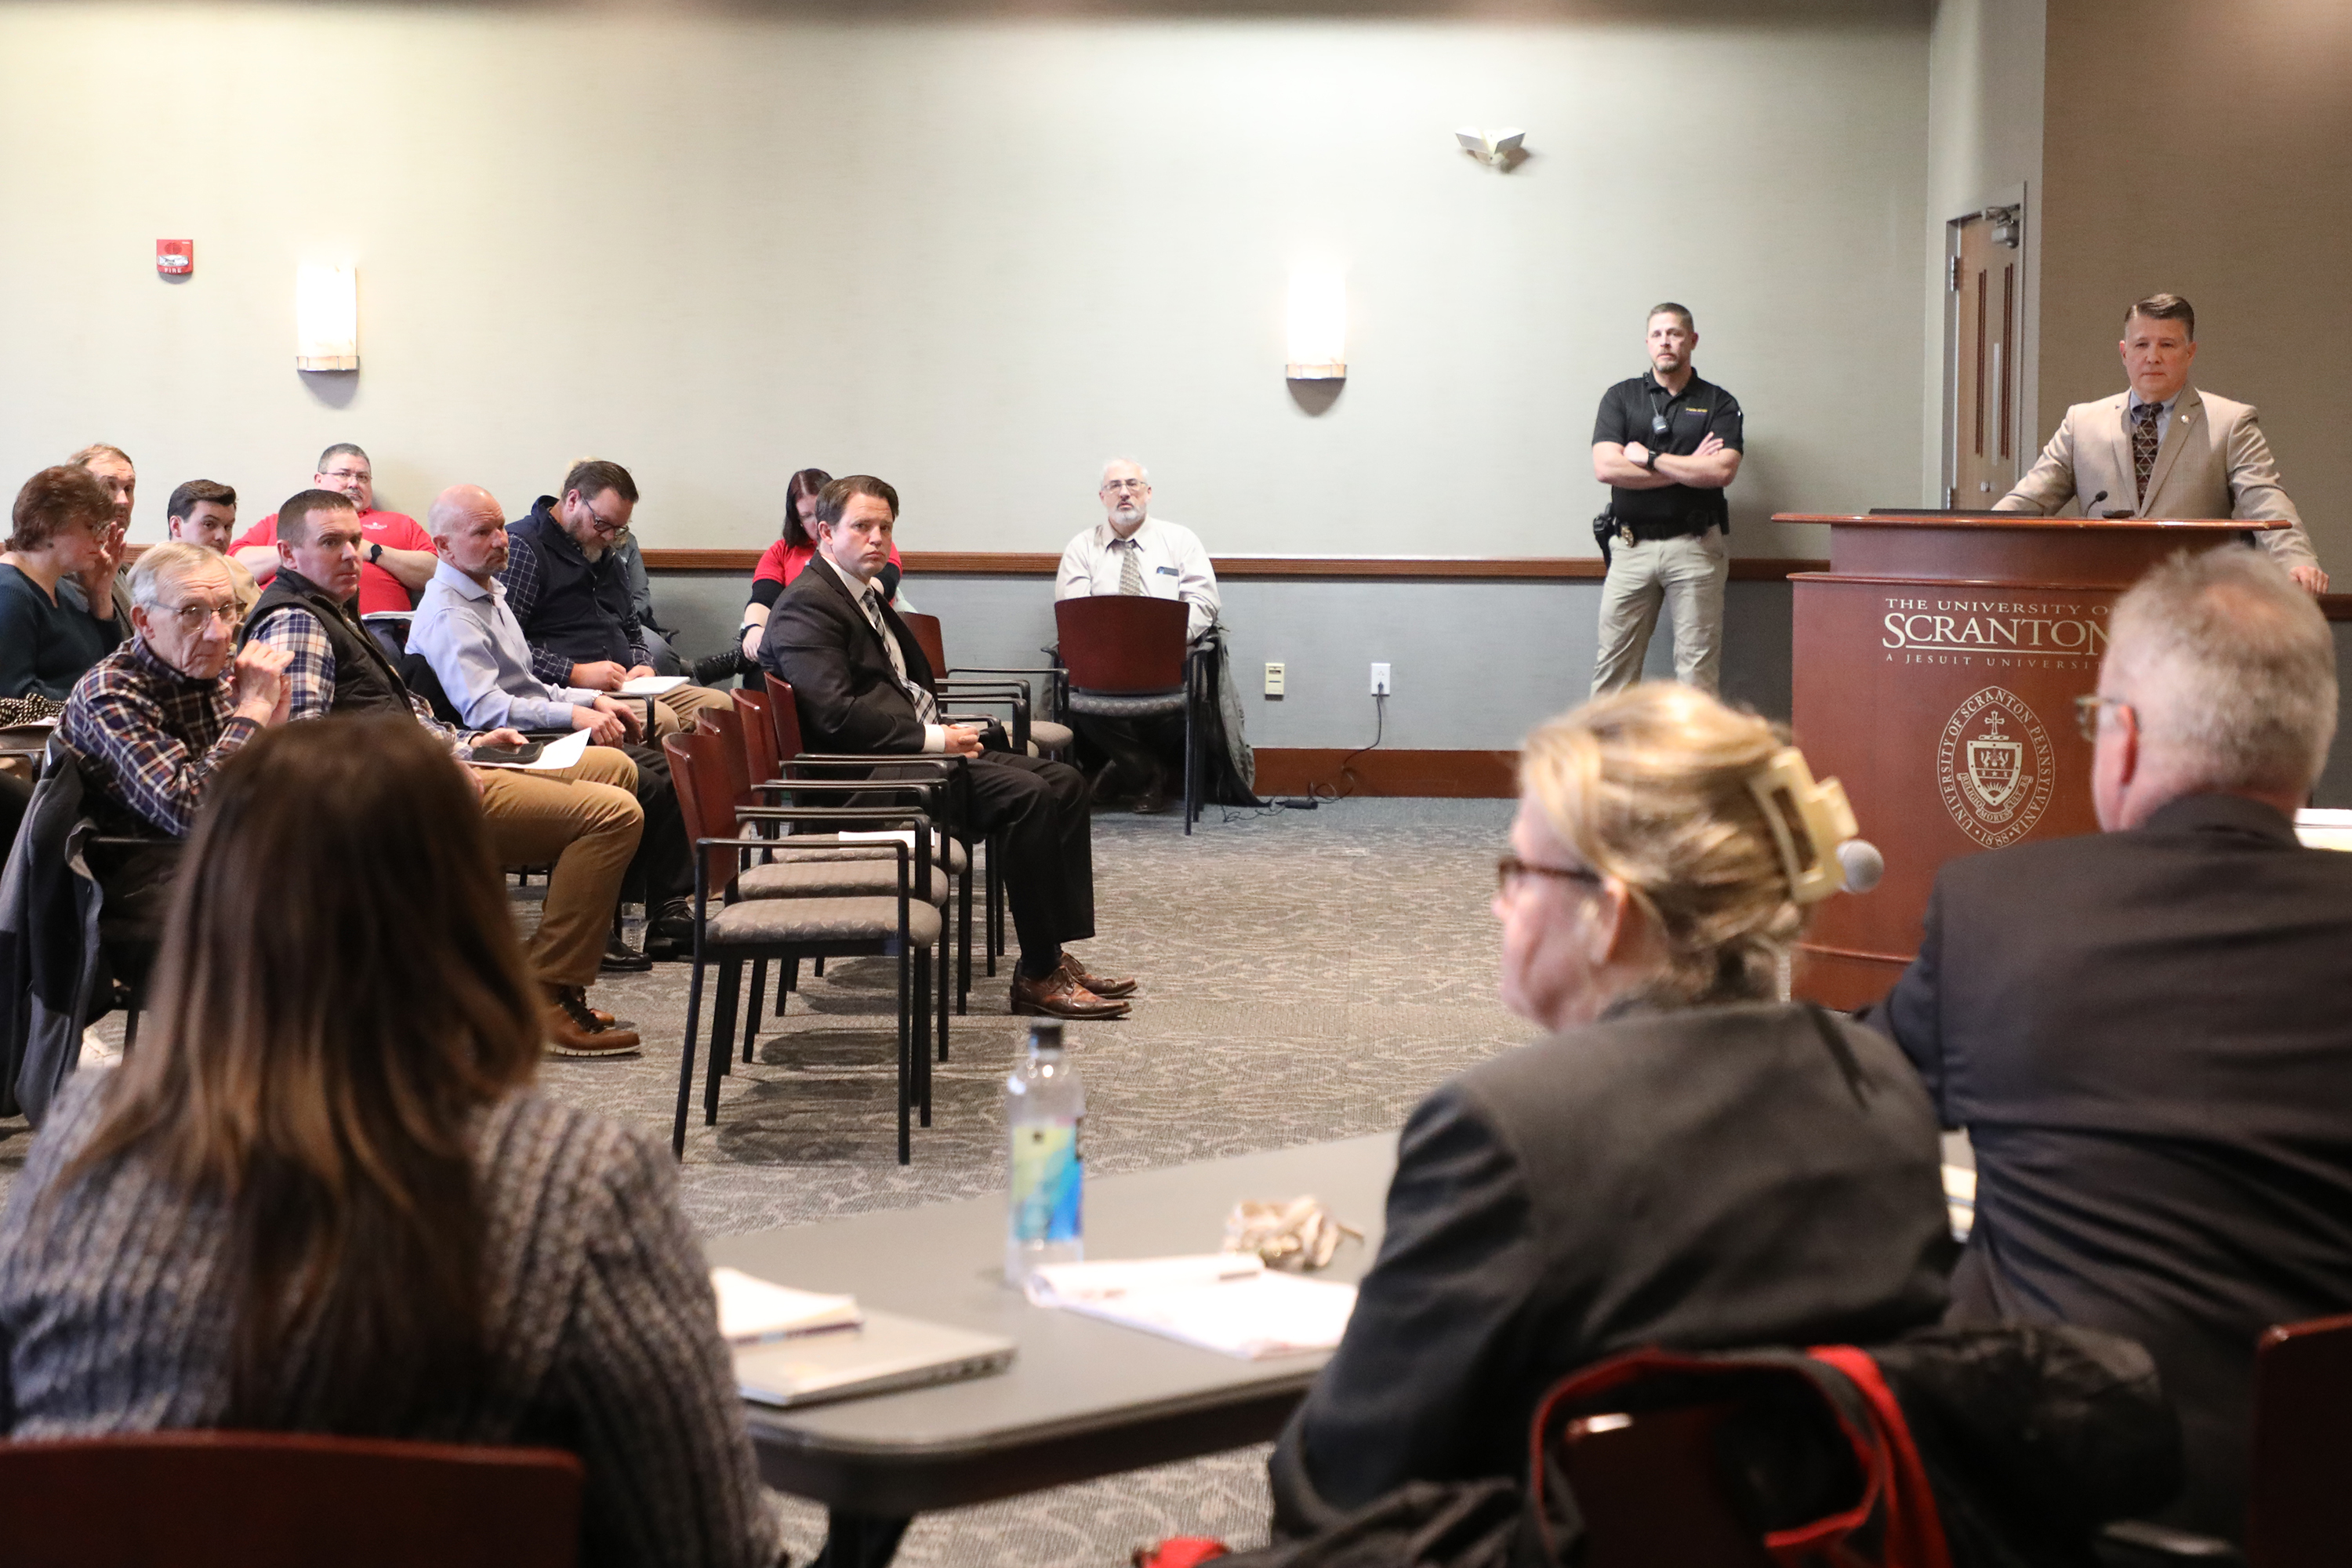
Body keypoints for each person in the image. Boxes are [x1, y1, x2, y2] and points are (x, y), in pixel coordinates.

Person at [0, 715, 781, 1568]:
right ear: (465, 900)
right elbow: (710, 1541)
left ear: (207, 903)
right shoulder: (575, 1180)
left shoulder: (87, 1135)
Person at [1269, 683, 1951, 1524]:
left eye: (1517, 871)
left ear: (1610, 913)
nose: (1497, 902)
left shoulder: (1508, 1131)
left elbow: (1344, 1482)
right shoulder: (1879, 1082)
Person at [1864, 545, 2352, 1541]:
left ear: (2120, 739)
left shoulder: (2001, 912)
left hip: (2051, 1510)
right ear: (2312, 747)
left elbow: (1845, 1112)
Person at [241, 488, 646, 1056]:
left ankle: (555, 963)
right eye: (330, 543)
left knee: (614, 770)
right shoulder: (298, 623)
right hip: (395, 798)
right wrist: (440, 760)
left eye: (355, 541)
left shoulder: (334, 609)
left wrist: (468, 740)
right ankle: (545, 993)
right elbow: (304, 754)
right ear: (287, 553)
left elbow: (397, 712)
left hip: (434, 763)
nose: (351, 554)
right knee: (613, 811)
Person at [760, 475, 1134, 1019]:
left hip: (910, 759)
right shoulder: (807, 606)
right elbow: (837, 716)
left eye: (885, 527)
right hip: (864, 784)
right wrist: (936, 737)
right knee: (1028, 795)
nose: (876, 538)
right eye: (861, 526)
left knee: (1064, 782)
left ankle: (1050, 953)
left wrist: (947, 733)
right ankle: (1036, 976)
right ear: (824, 532)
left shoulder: (861, 594)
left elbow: (896, 689)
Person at [410, 483, 699, 962]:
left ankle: (662, 913)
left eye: (500, 526)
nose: (501, 539)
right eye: (483, 532)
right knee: (648, 780)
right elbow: (485, 708)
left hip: (534, 723)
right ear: (443, 546)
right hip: (498, 743)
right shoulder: (448, 612)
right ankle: (602, 923)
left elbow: (528, 683)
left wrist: (592, 700)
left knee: (662, 764)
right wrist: (573, 713)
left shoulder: (490, 591)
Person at [1996, 295, 2325, 593]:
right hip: (2100, 597)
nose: (2152, 357)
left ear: (2190, 352)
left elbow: (2265, 498)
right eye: (2142, 345)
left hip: (2194, 600)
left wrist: (2296, 560)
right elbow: (2026, 502)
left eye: (2167, 345)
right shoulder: (2081, 422)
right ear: (2124, 353)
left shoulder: (2231, 422)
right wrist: (1968, 543)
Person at [56, 541, 292, 920]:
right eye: (191, 613)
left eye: (226, 610)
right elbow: (189, 811)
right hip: (148, 868)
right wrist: (252, 712)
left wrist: (272, 732)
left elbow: (250, 791)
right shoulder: (112, 692)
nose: (218, 634)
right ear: (144, 620)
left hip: (227, 847)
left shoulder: (219, 668)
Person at [500, 459, 735, 734]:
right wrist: (574, 672)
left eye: (619, 528)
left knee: (720, 707)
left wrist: (644, 666)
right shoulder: (523, 547)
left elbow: (633, 631)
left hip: (624, 684)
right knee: (660, 719)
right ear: (573, 500)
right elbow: (506, 647)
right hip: (565, 691)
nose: (610, 536)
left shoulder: (604, 554)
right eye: (602, 523)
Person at [1588, 304, 1744, 696]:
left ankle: (1695, 761)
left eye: (1674, 333)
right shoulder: (1621, 398)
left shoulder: (1719, 404)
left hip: (1694, 547)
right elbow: (1607, 468)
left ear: (1691, 340)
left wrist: (1651, 458)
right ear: (1647, 343)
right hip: (1630, 547)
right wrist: (1688, 467)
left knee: (1697, 672)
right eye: (1657, 335)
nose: (1665, 342)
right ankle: (1607, 758)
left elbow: (1721, 472)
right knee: (1613, 669)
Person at [1054, 459, 1219, 813]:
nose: (1124, 492)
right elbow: (1075, 614)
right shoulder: (1082, 547)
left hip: (1167, 663)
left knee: (1184, 697)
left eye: (1132, 484)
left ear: (1148, 493)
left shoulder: (1180, 541)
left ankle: (1122, 768)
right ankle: (1147, 772)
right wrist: (1114, 649)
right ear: (1102, 496)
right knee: (1078, 695)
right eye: (1115, 486)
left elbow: (1204, 602)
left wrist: (1167, 641)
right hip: (1101, 669)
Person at [230, 442, 437, 612]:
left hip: (374, 629)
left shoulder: (400, 523)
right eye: (344, 474)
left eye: (363, 477)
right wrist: (308, 551)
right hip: (290, 617)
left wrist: (372, 551)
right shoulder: (285, 520)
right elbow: (234, 567)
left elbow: (435, 572)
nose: (354, 483)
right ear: (319, 480)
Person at [0, 466, 126, 702]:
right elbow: (13, 697)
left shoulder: (64, 589)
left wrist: (100, 594)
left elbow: (112, 670)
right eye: (92, 526)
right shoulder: (9, 593)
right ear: (48, 524)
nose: (102, 538)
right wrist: (97, 700)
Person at [60, 443, 135, 638]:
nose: (123, 501)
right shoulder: (56, 573)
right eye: (108, 486)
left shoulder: (128, 573)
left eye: (129, 488)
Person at [163, 478, 260, 618]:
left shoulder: (236, 568)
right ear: (176, 526)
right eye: (209, 524)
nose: (222, 536)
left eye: (228, 527)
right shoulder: (156, 576)